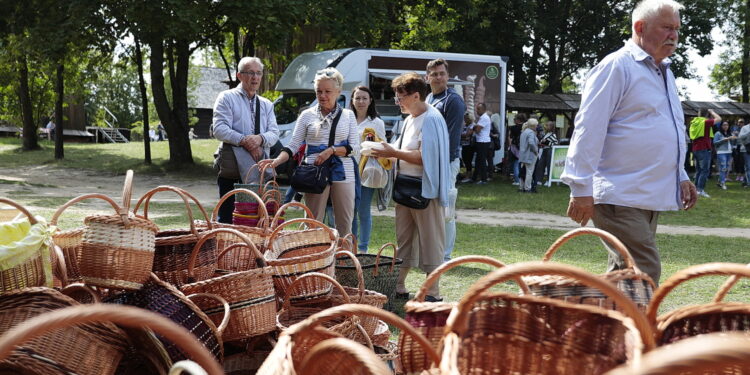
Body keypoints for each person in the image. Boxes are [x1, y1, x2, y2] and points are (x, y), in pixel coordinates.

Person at [561, 0, 697, 285]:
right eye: (666, 28)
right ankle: (638, 330)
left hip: (645, 195)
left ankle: (594, 324)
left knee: (623, 275)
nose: (674, 35)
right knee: (644, 271)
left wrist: (681, 175)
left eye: (677, 29)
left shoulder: (665, 72)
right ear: (640, 27)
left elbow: (670, 126)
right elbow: (589, 127)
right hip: (619, 193)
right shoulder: (616, 66)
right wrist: (580, 187)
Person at [371, 72, 450, 302]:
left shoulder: (432, 118)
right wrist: (378, 151)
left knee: (431, 240)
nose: (398, 102)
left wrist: (392, 152)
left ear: (416, 96)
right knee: (404, 240)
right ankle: (399, 286)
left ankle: (433, 293)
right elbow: (397, 151)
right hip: (405, 189)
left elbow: (425, 157)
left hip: (426, 191)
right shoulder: (408, 120)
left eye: (401, 97)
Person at [259, 68, 359, 237]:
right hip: (313, 172)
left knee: (345, 224)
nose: (323, 96)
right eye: (319, 91)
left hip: (343, 172)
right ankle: (313, 259)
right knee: (312, 223)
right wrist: (276, 161)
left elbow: (355, 148)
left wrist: (331, 151)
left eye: (328, 91)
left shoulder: (348, 116)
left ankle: (344, 260)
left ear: (338, 92)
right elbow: (293, 146)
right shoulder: (306, 115)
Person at [212, 56, 280, 224]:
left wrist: (259, 139)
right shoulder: (226, 97)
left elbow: (274, 133)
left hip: (259, 171)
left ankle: (251, 250)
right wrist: (244, 140)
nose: (255, 77)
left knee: (256, 219)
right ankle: (226, 248)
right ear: (239, 75)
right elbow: (219, 129)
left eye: (258, 73)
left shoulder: (266, 104)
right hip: (232, 170)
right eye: (250, 73)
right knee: (228, 218)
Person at [425, 58, 466, 262]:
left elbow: (451, 138)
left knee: (447, 209)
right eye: (434, 73)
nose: (438, 77)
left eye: (441, 73)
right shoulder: (429, 99)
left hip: (446, 163)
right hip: (429, 163)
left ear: (447, 76)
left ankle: (445, 256)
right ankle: (434, 251)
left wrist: (438, 164)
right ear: (427, 77)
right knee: (432, 209)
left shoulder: (453, 100)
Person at [350, 86, 386, 253]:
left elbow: (383, 147)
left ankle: (363, 249)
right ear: (352, 100)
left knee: (363, 211)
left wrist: (372, 145)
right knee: (350, 210)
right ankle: (351, 246)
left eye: (364, 98)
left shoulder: (377, 123)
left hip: (366, 172)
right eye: (357, 98)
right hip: (347, 172)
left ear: (370, 100)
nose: (361, 101)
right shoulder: (346, 118)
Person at [690, 109, 721, 198]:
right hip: (704, 148)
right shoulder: (705, 122)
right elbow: (719, 119)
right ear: (707, 115)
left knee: (699, 170)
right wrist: (712, 112)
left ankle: (695, 189)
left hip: (695, 148)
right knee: (704, 170)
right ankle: (700, 190)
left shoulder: (694, 122)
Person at [471, 103, 492, 185]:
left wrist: (474, 127)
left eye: (478, 109)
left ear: (483, 109)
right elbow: (476, 128)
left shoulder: (484, 118)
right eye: (477, 109)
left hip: (483, 142)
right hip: (481, 141)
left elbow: (477, 130)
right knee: (478, 160)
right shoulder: (482, 118)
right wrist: (475, 127)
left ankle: (484, 179)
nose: (477, 111)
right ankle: (474, 177)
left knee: (482, 161)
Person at [713, 121, 736, 190]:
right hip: (721, 152)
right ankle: (723, 183)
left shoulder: (730, 133)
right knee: (723, 168)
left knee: (726, 168)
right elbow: (715, 143)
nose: (726, 126)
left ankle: (720, 182)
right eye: (724, 125)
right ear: (721, 126)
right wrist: (724, 140)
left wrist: (733, 138)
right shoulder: (718, 133)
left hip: (729, 152)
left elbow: (733, 143)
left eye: (727, 125)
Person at [518, 118, 539, 193]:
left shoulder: (523, 132)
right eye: (536, 125)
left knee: (522, 172)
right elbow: (531, 143)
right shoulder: (531, 132)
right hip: (529, 155)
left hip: (522, 155)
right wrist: (536, 151)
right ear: (533, 126)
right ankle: (527, 188)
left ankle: (521, 187)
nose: (537, 126)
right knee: (529, 172)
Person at [508, 113, 527, 185]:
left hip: (515, 147)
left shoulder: (513, 128)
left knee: (516, 164)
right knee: (522, 165)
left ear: (518, 120)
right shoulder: (526, 128)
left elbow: (510, 137)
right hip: (524, 147)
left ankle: (517, 180)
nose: (514, 120)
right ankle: (523, 179)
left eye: (515, 119)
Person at [460, 112, 476, 183]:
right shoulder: (465, 125)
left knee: (468, 160)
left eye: (466, 118)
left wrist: (462, 136)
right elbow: (463, 135)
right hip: (464, 145)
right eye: (464, 118)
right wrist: (463, 136)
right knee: (465, 160)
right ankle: (467, 173)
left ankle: (469, 175)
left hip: (469, 146)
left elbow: (468, 134)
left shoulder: (473, 125)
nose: (465, 120)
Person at [738, 119, 750, 187]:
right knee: (748, 166)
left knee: (748, 167)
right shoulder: (745, 127)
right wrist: (749, 132)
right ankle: (748, 183)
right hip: (745, 149)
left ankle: (745, 181)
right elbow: (740, 137)